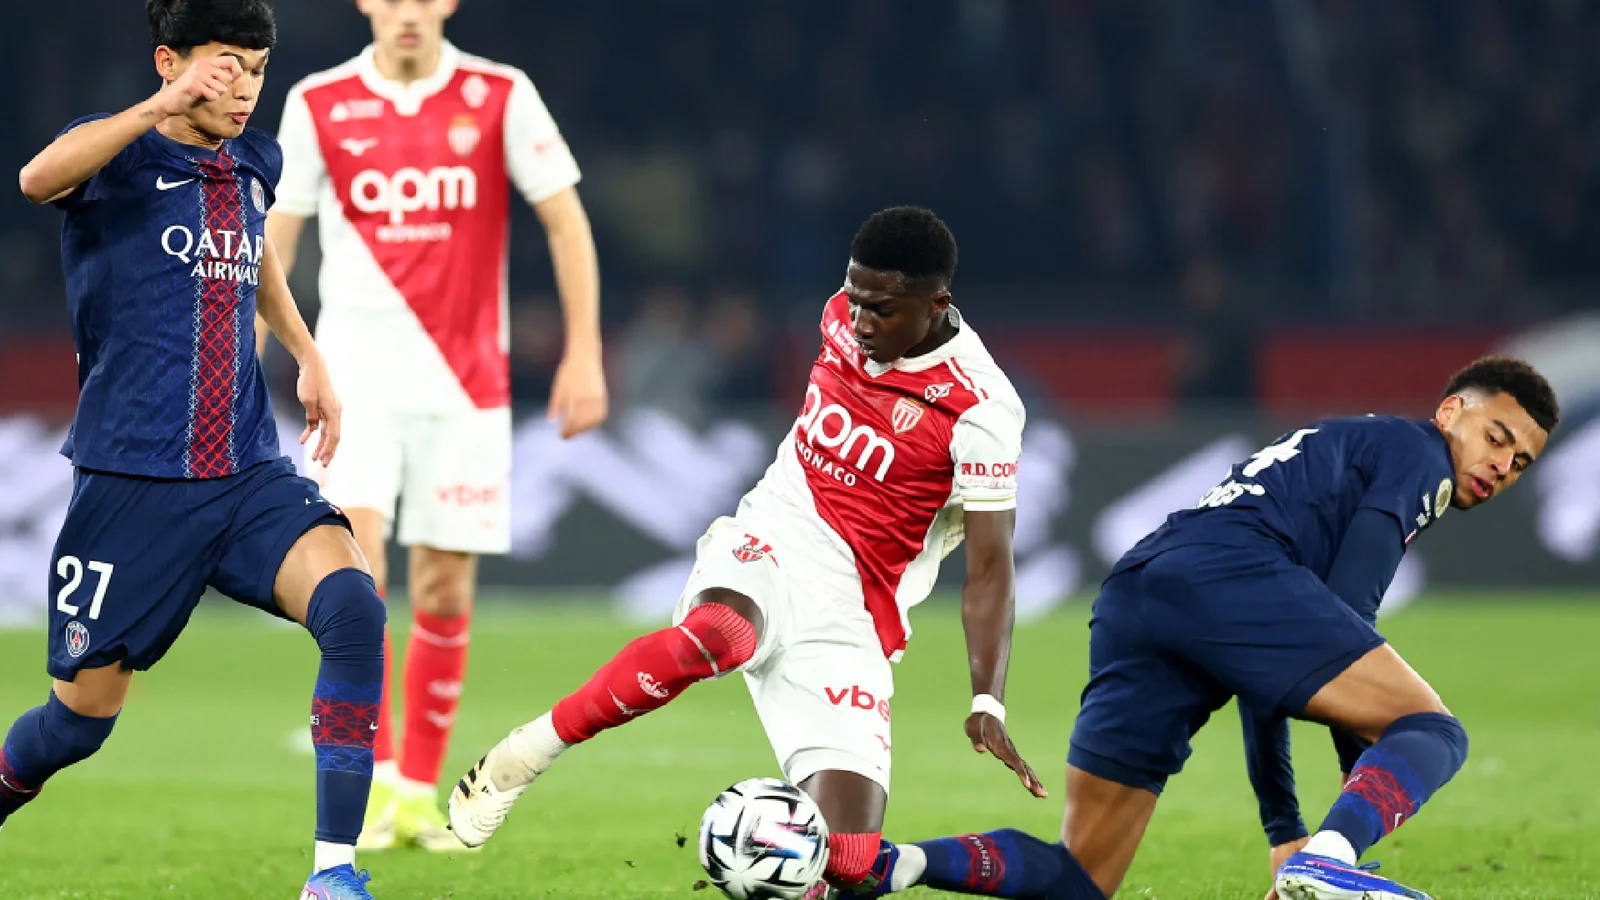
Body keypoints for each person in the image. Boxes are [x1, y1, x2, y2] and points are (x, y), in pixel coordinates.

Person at [447, 206, 1050, 895]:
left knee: (847, 864)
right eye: (854, 300)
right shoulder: (838, 315)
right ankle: (521, 757)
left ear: (937, 303)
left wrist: (988, 699)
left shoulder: (980, 408)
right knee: (720, 634)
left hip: (855, 612)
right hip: (779, 532)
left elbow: (990, 568)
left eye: (881, 310)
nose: (859, 322)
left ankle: (921, 864)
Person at [841, 356, 1559, 900]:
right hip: (1227, 573)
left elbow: (1274, 665)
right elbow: (1346, 615)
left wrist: (1285, 829)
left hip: (1141, 588)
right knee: (1434, 732)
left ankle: (890, 864)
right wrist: (1354, 792)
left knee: (1079, 875)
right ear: (1450, 411)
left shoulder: (1351, 447)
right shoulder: (1419, 455)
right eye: (1496, 437)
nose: (1502, 465)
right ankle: (1331, 865)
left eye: (1520, 462)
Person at [8, 2, 388, 897]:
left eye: (256, 69)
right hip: (132, 482)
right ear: (169, 61)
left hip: (245, 472)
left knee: (354, 607)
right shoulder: (115, 153)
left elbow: (253, 256)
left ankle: (333, 874)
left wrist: (307, 352)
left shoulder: (255, 161)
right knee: (78, 722)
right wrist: (157, 107)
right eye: (225, 66)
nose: (244, 88)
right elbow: (34, 179)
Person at [258, 0, 607, 851]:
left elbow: (564, 220)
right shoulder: (318, 101)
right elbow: (277, 241)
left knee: (446, 586)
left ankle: (417, 793)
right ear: (365, 4)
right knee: (357, 579)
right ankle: (374, 786)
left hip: (465, 386)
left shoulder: (500, 94)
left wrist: (585, 351)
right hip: (355, 383)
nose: (407, 11)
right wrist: (242, 357)